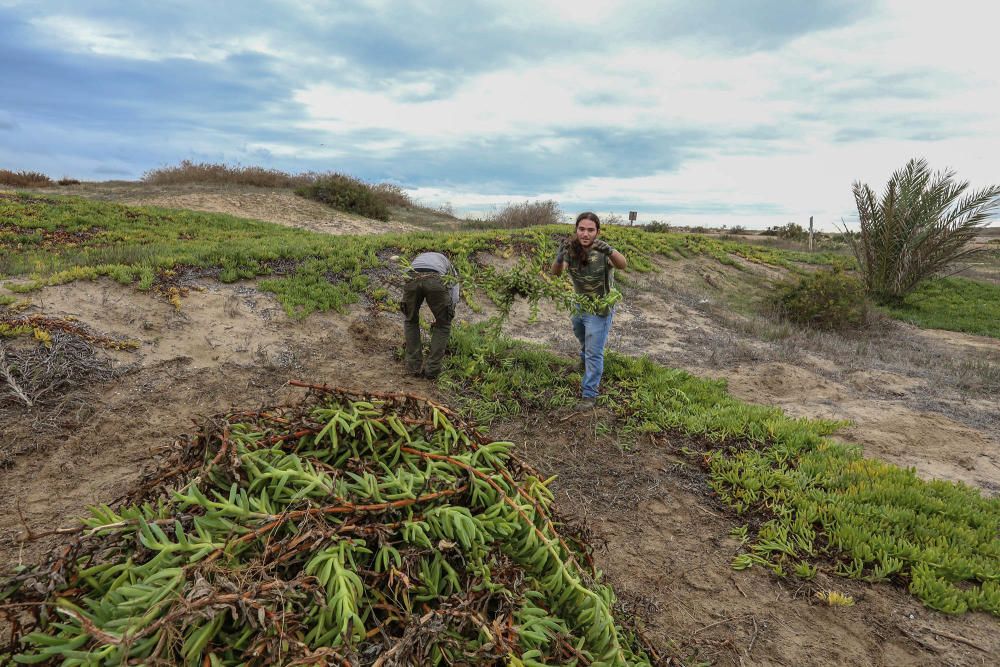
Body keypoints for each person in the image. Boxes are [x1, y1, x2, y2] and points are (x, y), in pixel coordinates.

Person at [551, 212, 627, 409]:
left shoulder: (603, 251)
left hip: (600, 308)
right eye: (581, 229)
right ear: (576, 230)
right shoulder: (571, 250)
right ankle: (584, 361)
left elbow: (623, 264)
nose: (585, 234)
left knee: (595, 351)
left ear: (597, 231)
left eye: (590, 230)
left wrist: (610, 251)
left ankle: (589, 394)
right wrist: (559, 257)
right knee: (581, 334)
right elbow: (556, 273)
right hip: (579, 305)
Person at [401, 251, 460, 379]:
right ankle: (432, 371)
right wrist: (447, 314)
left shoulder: (419, 258)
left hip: (412, 275)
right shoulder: (449, 265)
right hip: (435, 277)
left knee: (410, 320)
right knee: (443, 326)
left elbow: (406, 279)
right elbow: (453, 288)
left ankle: (413, 366)